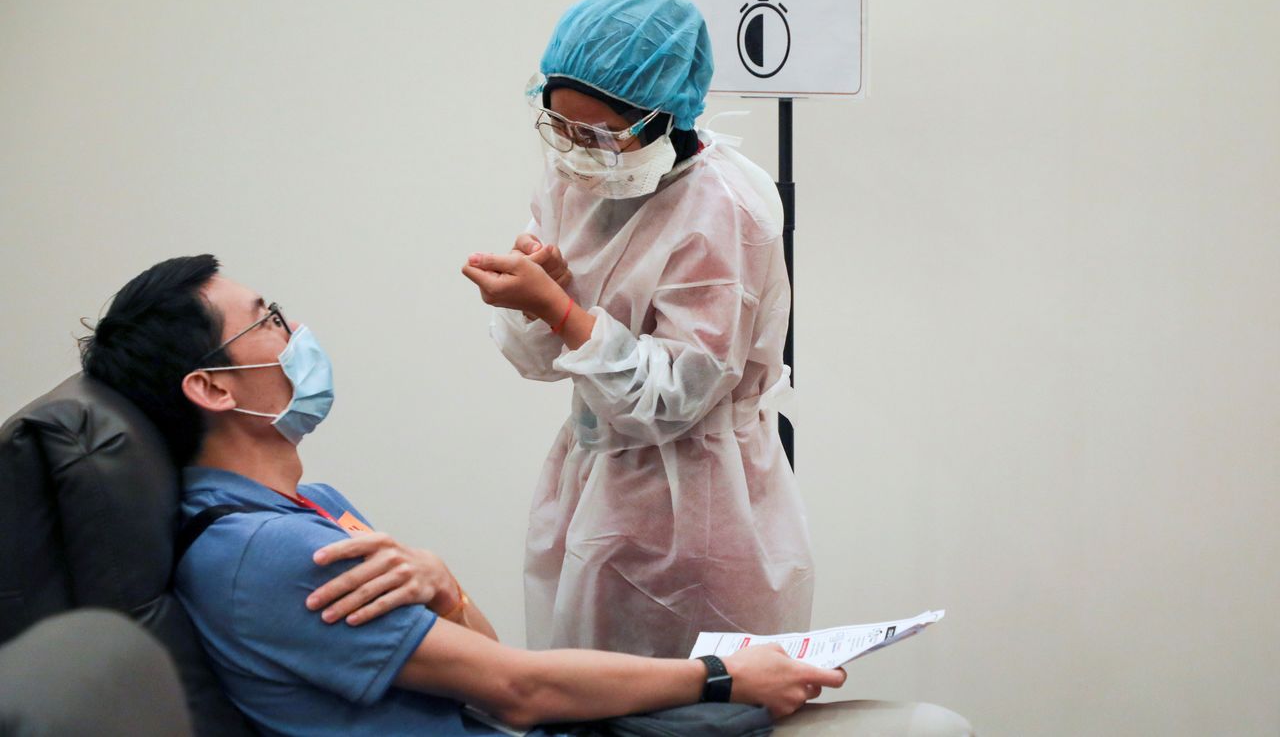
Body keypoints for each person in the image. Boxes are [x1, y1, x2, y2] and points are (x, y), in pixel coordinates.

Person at [77, 255, 845, 737]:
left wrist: (446, 588)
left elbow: (490, 660)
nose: (297, 330)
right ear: (212, 388)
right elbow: (519, 689)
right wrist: (725, 676)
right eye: (269, 320)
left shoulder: (311, 506)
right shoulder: (262, 551)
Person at [461, 0, 813, 659]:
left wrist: (561, 310)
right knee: (587, 691)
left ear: (663, 116)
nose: (575, 152)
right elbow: (539, 361)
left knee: (700, 696)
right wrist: (543, 300)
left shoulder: (722, 208)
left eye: (597, 134)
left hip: (702, 503)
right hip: (595, 482)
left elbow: (675, 399)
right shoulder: (575, 181)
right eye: (561, 127)